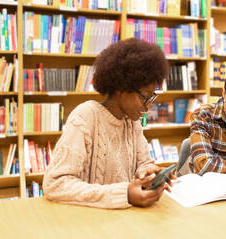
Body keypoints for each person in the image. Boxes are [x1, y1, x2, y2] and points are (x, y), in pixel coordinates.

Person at [43, 38, 173, 209]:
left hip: (122, 221)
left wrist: (147, 173)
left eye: (152, 96)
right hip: (87, 222)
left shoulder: (132, 121)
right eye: (145, 95)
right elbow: (55, 184)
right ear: (121, 87)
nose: (149, 104)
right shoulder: (85, 117)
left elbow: (143, 162)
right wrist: (124, 194)